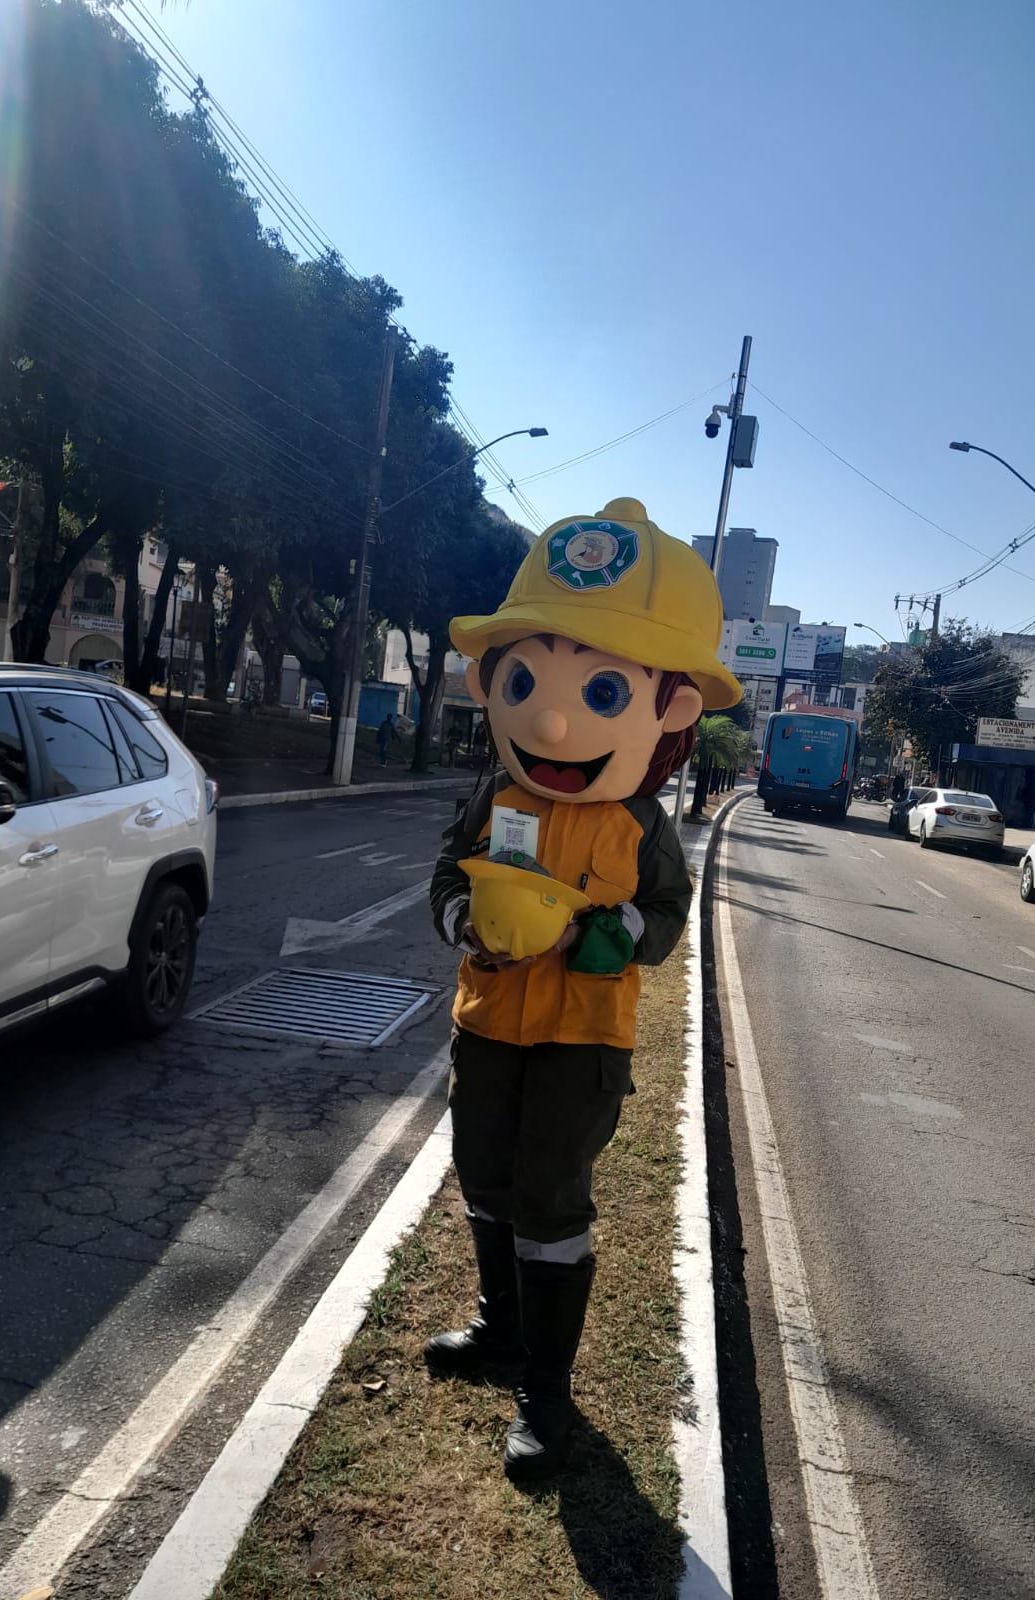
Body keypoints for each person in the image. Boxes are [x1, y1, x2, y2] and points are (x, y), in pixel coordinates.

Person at [426, 496, 742, 1483]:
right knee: (483, 1173)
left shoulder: (641, 824)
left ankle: (547, 1394)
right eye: (525, 681)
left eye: (604, 691)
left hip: (581, 1041)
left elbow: (666, 916)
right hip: (487, 1022)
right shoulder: (494, 795)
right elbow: (445, 873)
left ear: (671, 710)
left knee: (550, 1197)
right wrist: (464, 921)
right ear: (491, 680)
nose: (552, 719)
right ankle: (500, 1327)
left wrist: (600, 936)